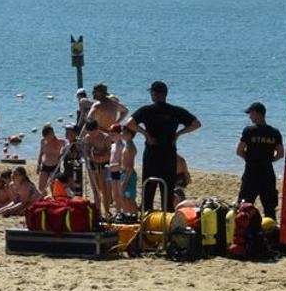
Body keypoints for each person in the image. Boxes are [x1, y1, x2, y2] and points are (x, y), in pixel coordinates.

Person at [127, 81, 200, 211]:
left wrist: (146, 134)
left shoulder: (147, 110)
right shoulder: (175, 111)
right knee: (167, 189)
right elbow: (196, 124)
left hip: (152, 153)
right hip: (168, 154)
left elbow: (129, 123)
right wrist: (178, 134)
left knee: (148, 189)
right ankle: (167, 221)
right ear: (165, 94)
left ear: (154, 94)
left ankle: (147, 219)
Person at [236, 101, 284, 219]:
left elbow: (239, 151)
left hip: (251, 172)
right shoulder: (275, 132)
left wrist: (248, 158)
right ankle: (270, 231)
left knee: (244, 206)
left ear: (258, 113)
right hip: (267, 172)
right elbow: (281, 154)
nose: (250, 116)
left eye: (251, 113)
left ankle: (243, 232)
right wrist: (269, 160)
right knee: (269, 208)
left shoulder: (249, 131)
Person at [84, 118, 113, 206]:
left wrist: (100, 157)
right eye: (89, 132)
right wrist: (93, 156)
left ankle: (107, 211)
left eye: (93, 132)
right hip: (93, 164)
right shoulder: (88, 137)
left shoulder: (106, 137)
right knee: (95, 189)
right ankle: (98, 211)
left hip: (105, 165)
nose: (92, 135)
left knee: (105, 189)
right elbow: (86, 152)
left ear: (97, 129)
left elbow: (110, 154)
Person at [114, 124, 139, 214]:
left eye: (123, 132)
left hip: (129, 174)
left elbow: (130, 166)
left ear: (129, 134)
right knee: (124, 196)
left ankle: (133, 215)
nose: (121, 133)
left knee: (128, 197)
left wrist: (125, 181)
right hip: (125, 173)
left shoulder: (130, 147)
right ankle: (129, 213)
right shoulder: (127, 145)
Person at [35, 125, 62, 194]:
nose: (48, 138)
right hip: (45, 165)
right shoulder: (43, 141)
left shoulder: (58, 142)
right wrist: (38, 165)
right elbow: (41, 153)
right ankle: (44, 199)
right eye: (46, 137)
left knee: (53, 186)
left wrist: (61, 155)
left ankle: (55, 200)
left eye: (51, 134)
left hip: (54, 166)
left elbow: (68, 144)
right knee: (41, 186)